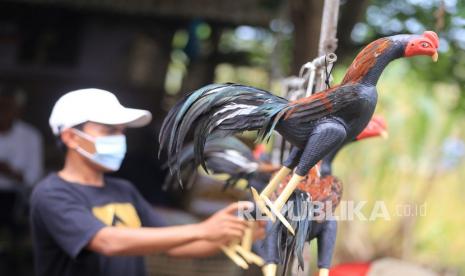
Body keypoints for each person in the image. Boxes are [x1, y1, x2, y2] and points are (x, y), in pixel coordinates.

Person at [30, 88, 264, 276]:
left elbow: (177, 245)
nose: (120, 139)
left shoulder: (123, 190)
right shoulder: (52, 193)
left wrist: (239, 233)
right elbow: (106, 241)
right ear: (71, 137)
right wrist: (202, 229)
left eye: (122, 132)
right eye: (109, 131)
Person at [0, 84, 43, 224]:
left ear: (18, 110)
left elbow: (34, 177)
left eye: (8, 107)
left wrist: (11, 172)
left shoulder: (31, 136)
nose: (3, 111)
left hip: (14, 199)